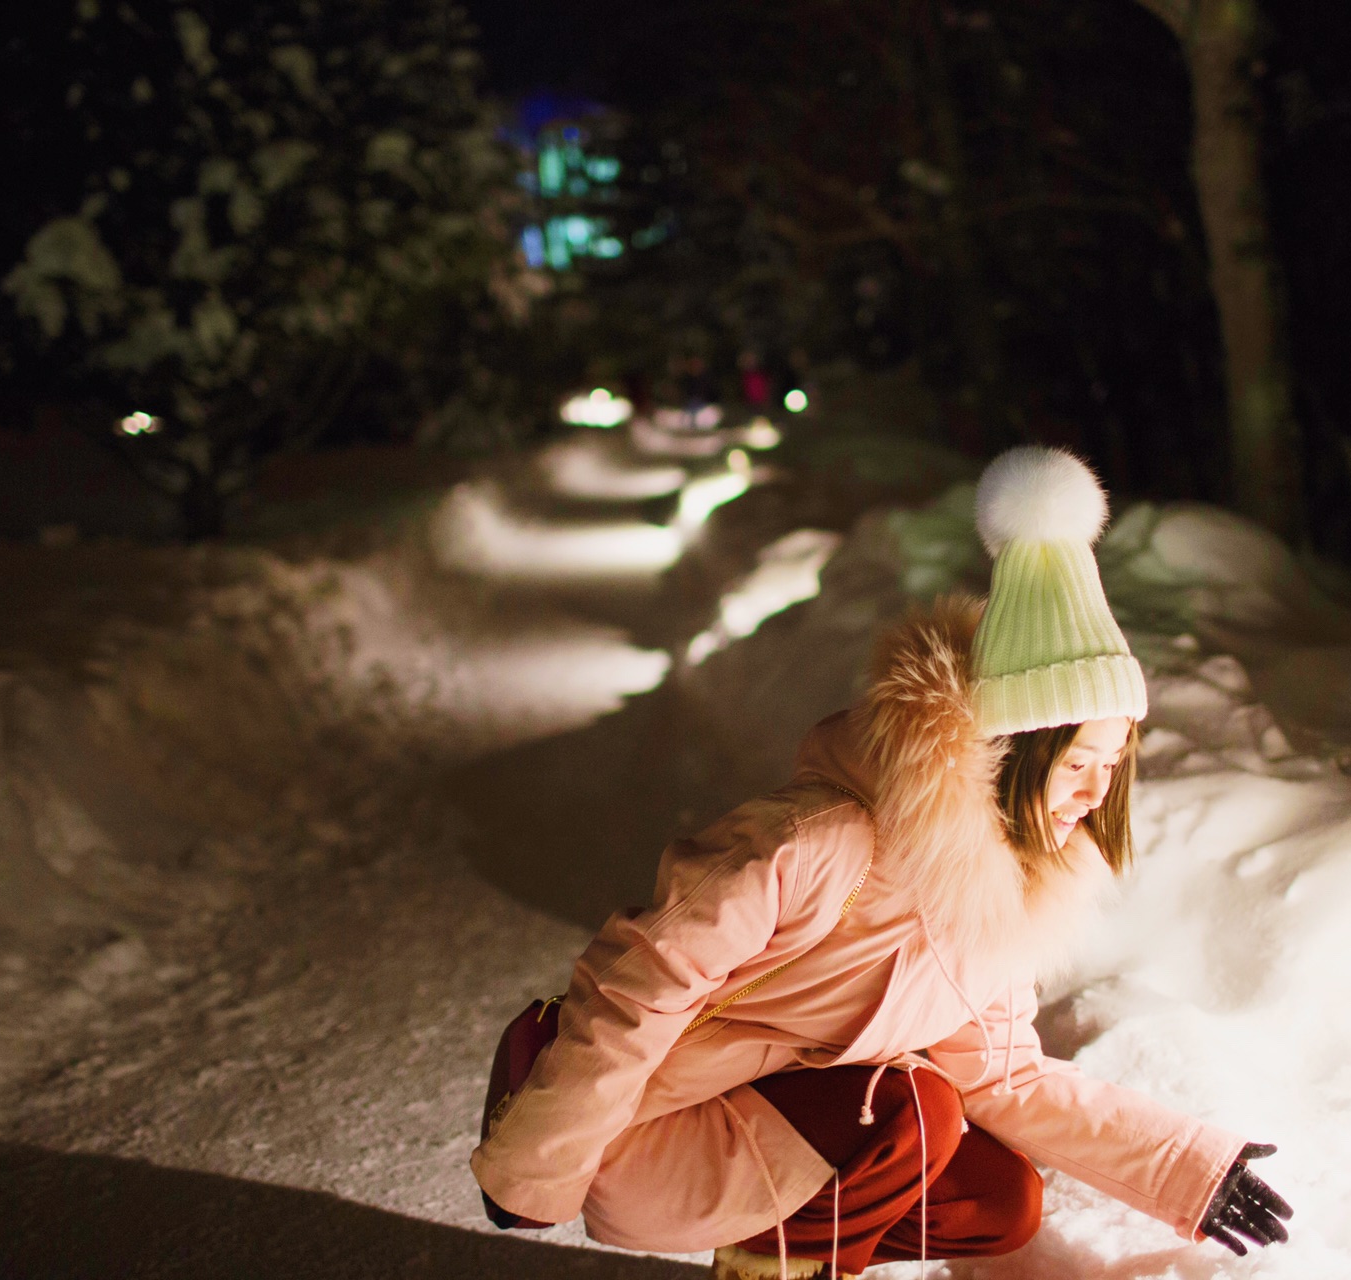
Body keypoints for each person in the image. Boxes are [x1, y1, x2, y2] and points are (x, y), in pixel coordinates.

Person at [471, 447, 1292, 1279]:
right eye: (1077, 762)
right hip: (649, 1133)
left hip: (789, 1139)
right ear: (1015, 749)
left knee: (998, 1202)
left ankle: (778, 1251)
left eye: (1113, 765)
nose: (1094, 792)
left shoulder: (1000, 897)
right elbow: (638, 981)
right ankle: (779, 1268)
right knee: (916, 1108)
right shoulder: (823, 841)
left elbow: (1008, 1080)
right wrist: (535, 1167)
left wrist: (1191, 1169)